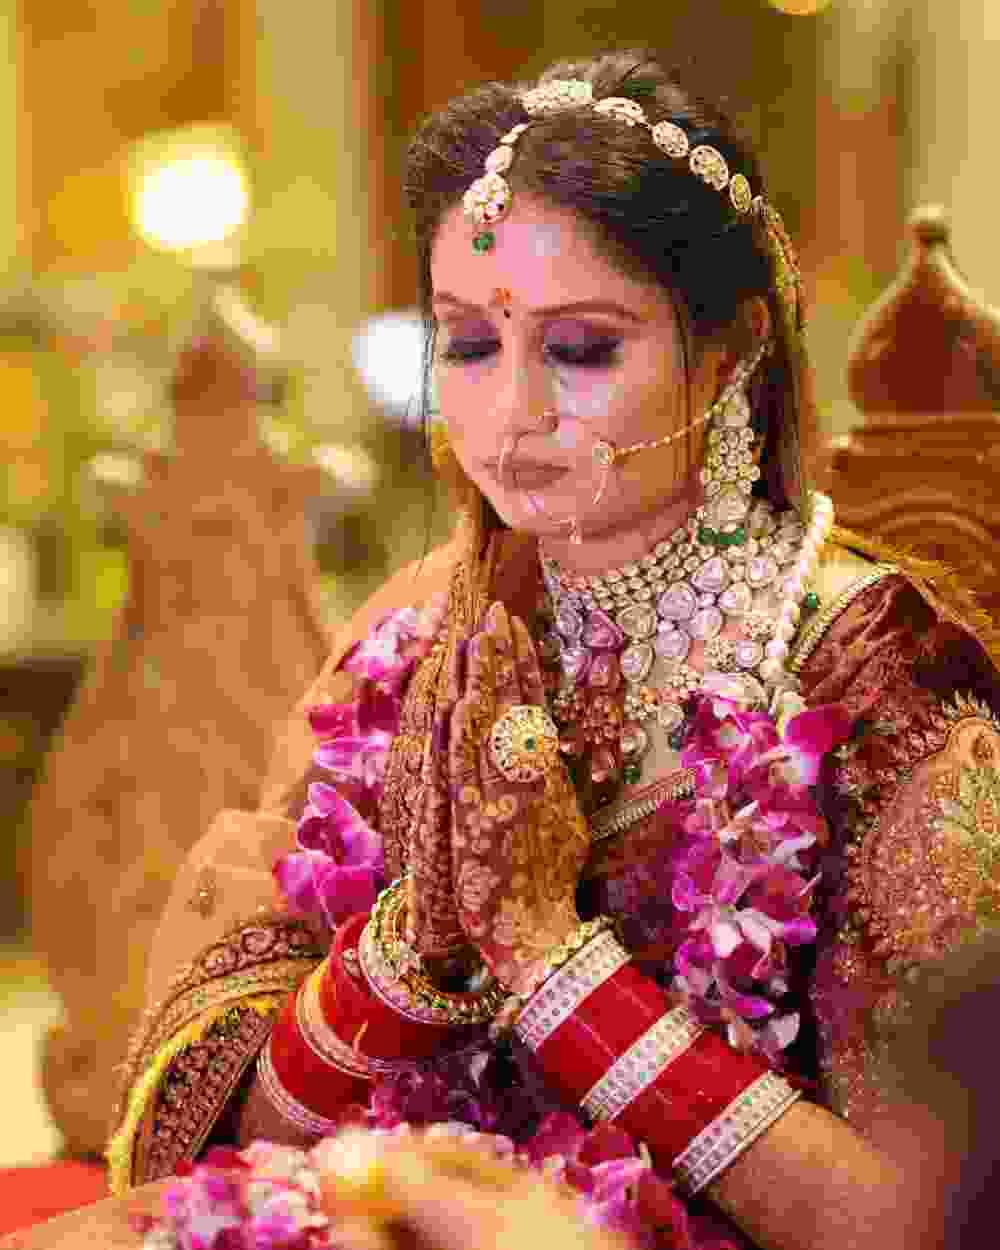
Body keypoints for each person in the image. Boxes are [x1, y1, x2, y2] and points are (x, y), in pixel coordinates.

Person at [7, 43, 1000, 1250]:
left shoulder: (878, 679)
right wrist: (410, 946)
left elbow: (915, 1221)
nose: (511, 410)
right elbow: (214, 1146)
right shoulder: (421, 639)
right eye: (470, 344)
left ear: (729, 353)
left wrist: (548, 954)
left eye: (580, 349)